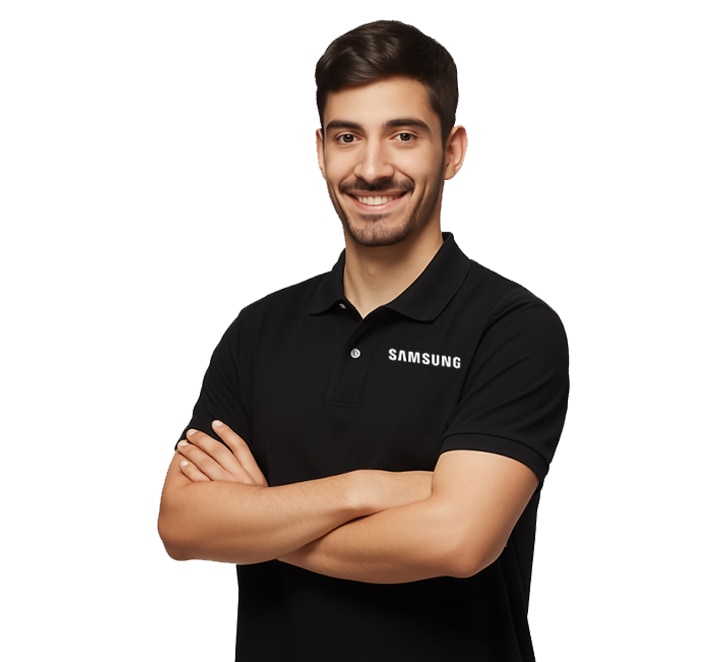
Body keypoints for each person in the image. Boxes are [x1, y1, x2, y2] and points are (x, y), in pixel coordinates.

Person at [158, 19, 569, 662]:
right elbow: (183, 524)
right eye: (348, 137)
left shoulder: (513, 329)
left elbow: (458, 540)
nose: (372, 168)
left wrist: (260, 520)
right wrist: (367, 489)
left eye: (403, 135)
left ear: (452, 151)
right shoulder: (259, 331)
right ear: (321, 150)